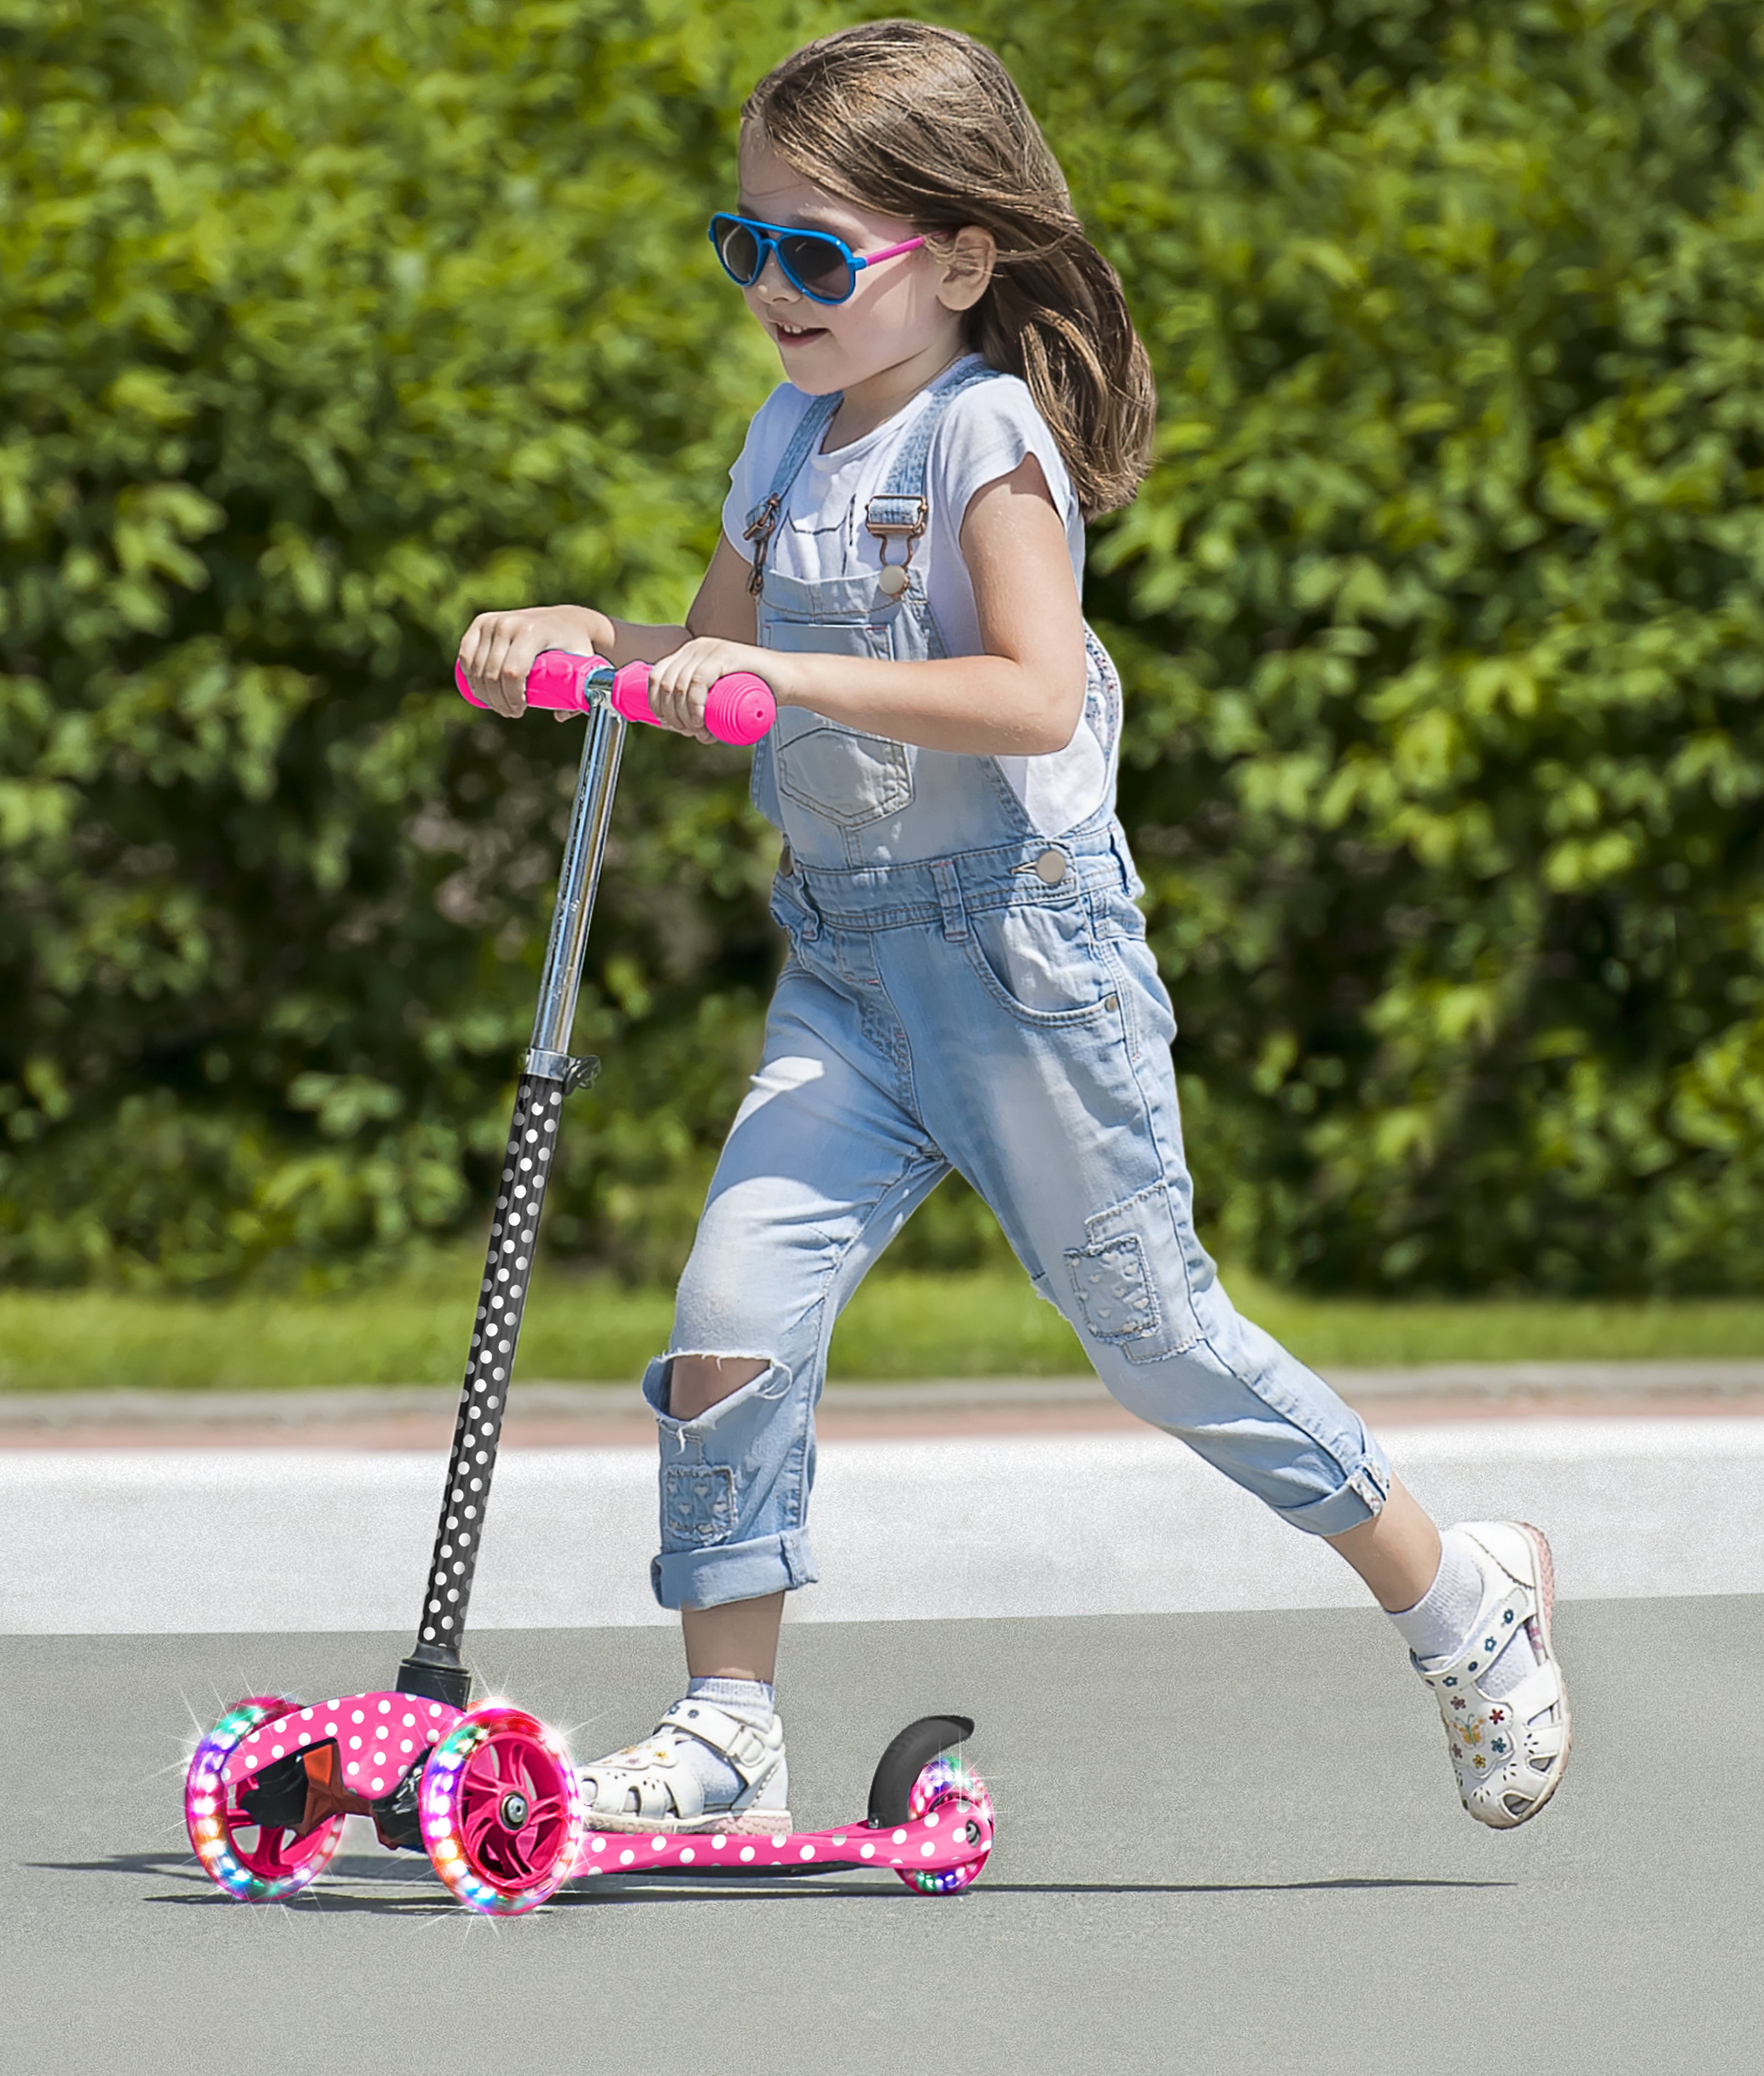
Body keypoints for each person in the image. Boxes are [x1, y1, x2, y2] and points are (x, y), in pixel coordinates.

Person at [455, 20, 1569, 1837]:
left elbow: (1035, 693)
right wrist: (588, 643)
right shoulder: (784, 436)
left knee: (1157, 1337)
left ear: (962, 261)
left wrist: (775, 669)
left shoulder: (987, 434)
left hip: (1023, 965)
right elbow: (702, 661)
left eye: (817, 256)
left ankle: (1462, 1590)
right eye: (748, 247)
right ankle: (729, 1718)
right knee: (728, 1316)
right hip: (844, 967)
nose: (773, 290)